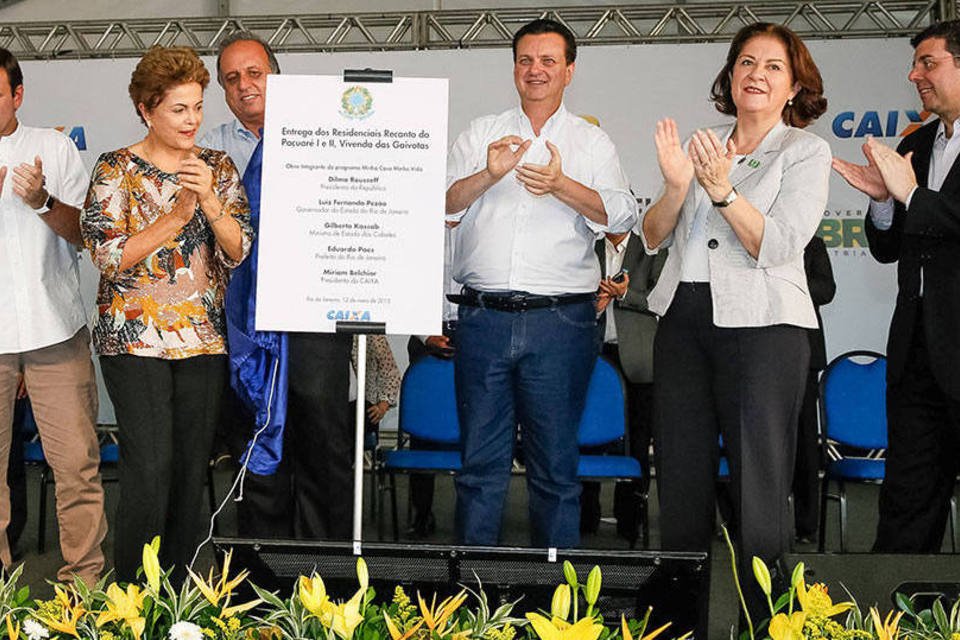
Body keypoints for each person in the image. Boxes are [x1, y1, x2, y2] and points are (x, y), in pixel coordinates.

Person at [638, 22, 830, 622]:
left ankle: (769, 622)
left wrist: (723, 192)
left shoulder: (805, 151)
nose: (756, 74)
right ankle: (678, 621)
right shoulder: (703, 144)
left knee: (758, 484)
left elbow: (777, 246)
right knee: (681, 474)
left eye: (773, 66)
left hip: (765, 328)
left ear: (795, 86)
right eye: (746, 62)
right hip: (684, 321)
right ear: (729, 76)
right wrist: (677, 186)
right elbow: (649, 236)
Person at [446, 18, 637, 547]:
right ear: (514, 68)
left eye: (549, 60)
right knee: (478, 469)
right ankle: (468, 611)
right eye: (526, 60)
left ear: (569, 71)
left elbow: (621, 216)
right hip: (482, 318)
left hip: (561, 322)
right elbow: (441, 204)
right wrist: (489, 175)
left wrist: (560, 184)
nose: (536, 70)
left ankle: (559, 609)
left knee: (555, 470)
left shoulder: (591, 141)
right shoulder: (480, 132)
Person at [81, 45, 252, 582]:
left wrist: (208, 204)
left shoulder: (217, 168)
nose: (193, 119)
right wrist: (176, 215)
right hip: (134, 343)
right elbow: (108, 256)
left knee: (188, 473)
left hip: (203, 342)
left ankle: (178, 591)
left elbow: (239, 248)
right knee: (149, 470)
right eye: (180, 108)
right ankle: (132, 593)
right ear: (147, 109)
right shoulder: (115, 168)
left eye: (198, 107)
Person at [201, 32, 355, 540]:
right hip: (244, 323)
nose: (244, 86)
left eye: (254, 73)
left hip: (316, 315)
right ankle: (259, 575)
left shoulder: (325, 135)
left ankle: (323, 578)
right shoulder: (209, 148)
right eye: (231, 79)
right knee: (256, 439)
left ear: (277, 77)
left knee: (322, 441)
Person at [833, 19, 960, 553]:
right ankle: (899, 622)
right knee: (908, 498)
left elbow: (942, 215)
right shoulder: (917, 142)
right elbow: (890, 248)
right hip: (915, 354)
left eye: (928, 63)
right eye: (915, 65)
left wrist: (912, 195)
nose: (914, 75)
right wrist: (885, 202)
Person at [0, 46, 108, 585]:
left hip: (54, 332)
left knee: (76, 467)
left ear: (17, 95)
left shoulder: (54, 146)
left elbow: (86, 235)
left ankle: (84, 588)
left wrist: (42, 200)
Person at [580, 230, 665, 543]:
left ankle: (631, 522)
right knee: (588, 438)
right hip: (595, 355)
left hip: (638, 361)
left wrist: (625, 294)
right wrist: (596, 304)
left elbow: (662, 299)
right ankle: (585, 519)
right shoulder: (587, 246)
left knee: (638, 442)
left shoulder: (652, 248)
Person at [793, 235, 835, 544]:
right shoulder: (752, 235)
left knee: (806, 445)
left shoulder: (813, 243)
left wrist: (788, 284)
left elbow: (826, 289)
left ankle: (807, 526)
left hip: (804, 353)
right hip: (760, 354)